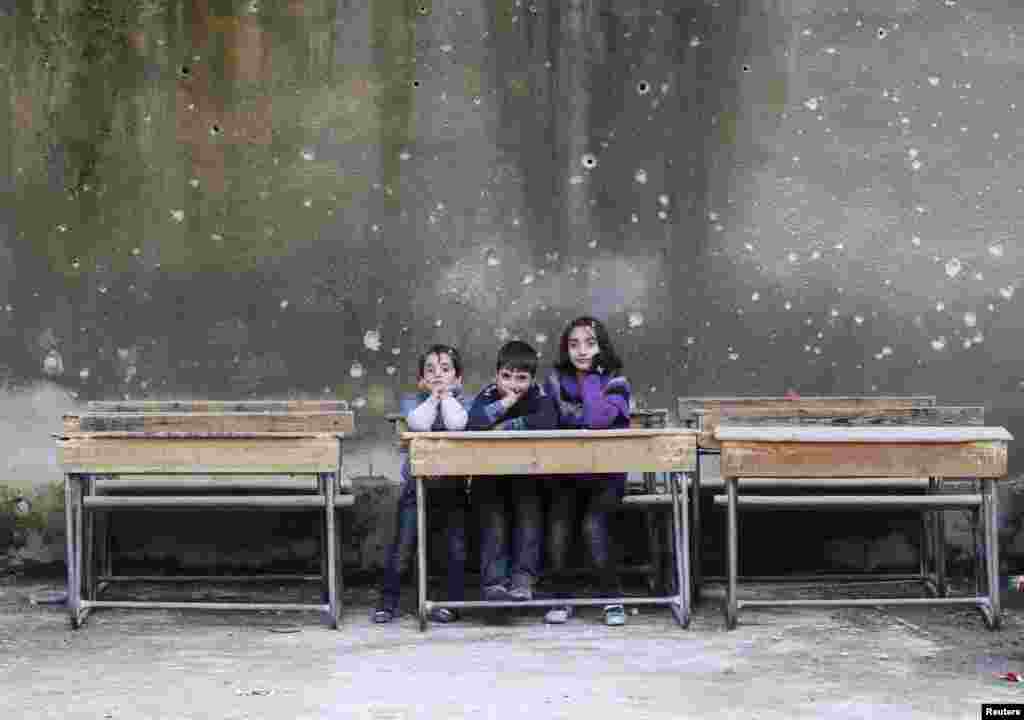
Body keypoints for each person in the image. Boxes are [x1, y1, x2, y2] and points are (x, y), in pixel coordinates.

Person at [542, 316, 632, 626]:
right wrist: (575, 414)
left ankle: (611, 597)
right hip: (565, 472)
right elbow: (551, 420)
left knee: (594, 525)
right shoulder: (554, 380)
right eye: (574, 344)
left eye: (590, 344)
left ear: (602, 346)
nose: (581, 351)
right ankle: (561, 597)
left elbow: (596, 421)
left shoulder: (616, 381)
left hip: (606, 474)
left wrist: (593, 378)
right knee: (559, 526)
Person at [373, 344, 470, 624]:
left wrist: (446, 398)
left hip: (453, 489)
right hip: (417, 488)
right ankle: (387, 601)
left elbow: (456, 426)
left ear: (458, 379)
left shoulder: (463, 405)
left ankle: (450, 603)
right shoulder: (413, 403)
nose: (438, 375)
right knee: (403, 548)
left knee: (455, 549)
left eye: (445, 369)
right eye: (430, 370)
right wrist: (433, 399)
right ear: (420, 379)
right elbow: (418, 425)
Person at [466, 340, 557, 602]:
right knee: (494, 527)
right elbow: (473, 424)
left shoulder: (539, 396)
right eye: (506, 376)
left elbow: (547, 421)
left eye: (521, 378)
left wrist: (504, 428)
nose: (513, 384)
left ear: (532, 379)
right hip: (490, 478)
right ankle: (494, 583)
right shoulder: (488, 395)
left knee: (529, 526)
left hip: (529, 477)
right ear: (496, 375)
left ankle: (523, 582)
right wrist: (504, 404)